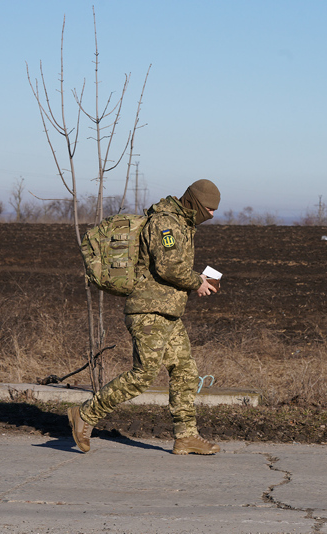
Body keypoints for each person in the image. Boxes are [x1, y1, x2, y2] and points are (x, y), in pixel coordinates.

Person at [68, 179, 222, 455]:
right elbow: (168, 267)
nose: (212, 215)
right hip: (149, 312)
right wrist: (196, 281)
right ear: (195, 203)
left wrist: (196, 280)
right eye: (209, 209)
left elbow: (168, 267)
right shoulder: (166, 223)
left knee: (185, 371)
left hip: (168, 311)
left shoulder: (182, 224)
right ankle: (86, 414)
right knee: (143, 374)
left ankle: (186, 436)